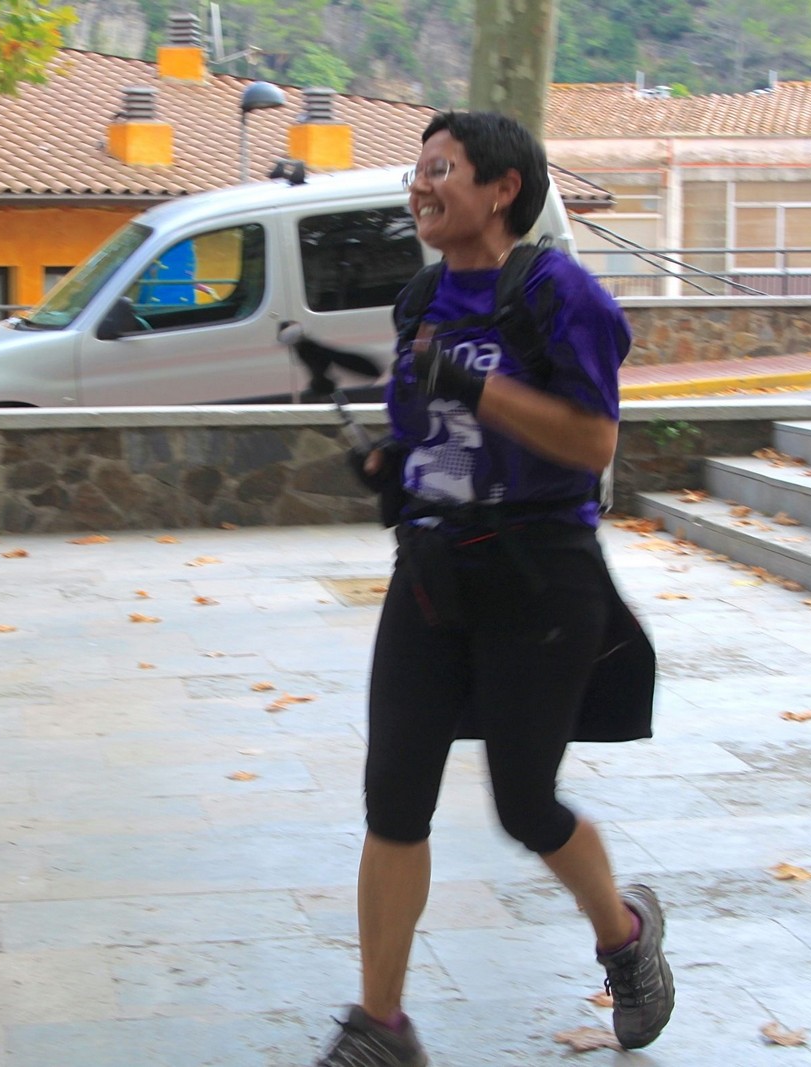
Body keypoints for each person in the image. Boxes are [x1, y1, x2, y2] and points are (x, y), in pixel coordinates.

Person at [313, 111, 671, 1067]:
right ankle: (381, 1026)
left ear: (504, 188)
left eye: (442, 169)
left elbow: (592, 442)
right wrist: (391, 466)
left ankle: (626, 935)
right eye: (416, 171)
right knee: (394, 796)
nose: (420, 186)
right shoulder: (422, 299)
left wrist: (471, 385)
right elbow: (426, 429)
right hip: (433, 571)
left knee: (524, 803)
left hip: (539, 574)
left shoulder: (559, 292)